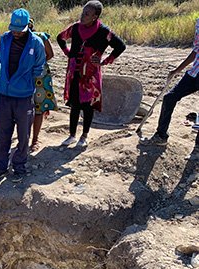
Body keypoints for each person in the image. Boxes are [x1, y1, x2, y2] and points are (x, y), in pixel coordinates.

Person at [57, 0, 125, 148]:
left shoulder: (104, 32)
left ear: (95, 16)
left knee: (88, 107)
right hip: (74, 73)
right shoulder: (75, 28)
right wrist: (68, 53)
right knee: (74, 105)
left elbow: (120, 46)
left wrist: (105, 61)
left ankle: (84, 136)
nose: (83, 16)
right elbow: (60, 38)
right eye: (83, 12)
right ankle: (72, 136)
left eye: (87, 14)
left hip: (90, 76)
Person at [0, 8, 46, 183]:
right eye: (13, 28)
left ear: (28, 26)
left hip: (24, 97)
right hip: (5, 96)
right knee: (3, 134)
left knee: (23, 136)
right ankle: (0, 167)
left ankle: (19, 167)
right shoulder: (5, 39)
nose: (16, 32)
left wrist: (25, 81)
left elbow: (39, 65)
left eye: (19, 30)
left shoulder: (36, 43)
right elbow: (0, 62)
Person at [139, 18, 199, 161]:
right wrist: (177, 70)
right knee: (169, 97)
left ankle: (197, 150)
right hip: (195, 72)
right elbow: (196, 50)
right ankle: (161, 136)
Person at [28, 18, 58, 152]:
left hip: (40, 75)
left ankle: (35, 139)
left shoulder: (40, 37)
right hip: (25, 75)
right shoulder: (14, 38)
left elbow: (50, 54)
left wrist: (36, 63)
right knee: (23, 108)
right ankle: (26, 138)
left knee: (38, 107)